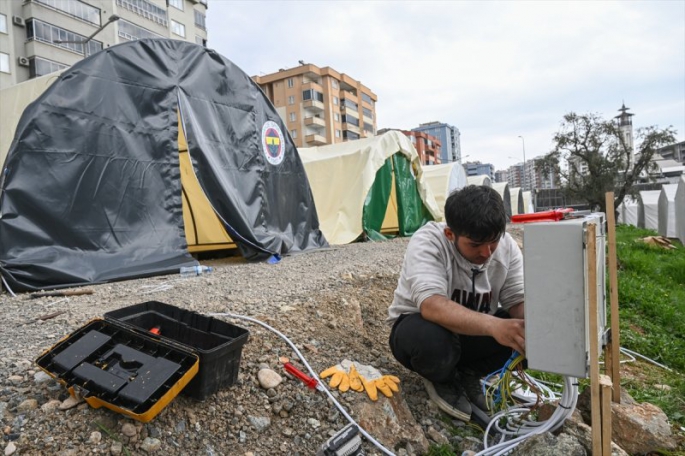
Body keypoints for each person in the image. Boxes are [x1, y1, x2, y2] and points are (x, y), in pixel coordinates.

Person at [387, 185, 525, 422]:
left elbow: (517, 301)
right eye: (475, 245)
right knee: (431, 341)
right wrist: (495, 327)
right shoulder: (428, 241)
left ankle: (469, 374)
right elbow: (431, 305)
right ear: (450, 234)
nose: (486, 253)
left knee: (526, 331)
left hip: (473, 332)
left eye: (493, 242)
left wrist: (533, 326)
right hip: (421, 330)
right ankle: (443, 378)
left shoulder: (506, 247)